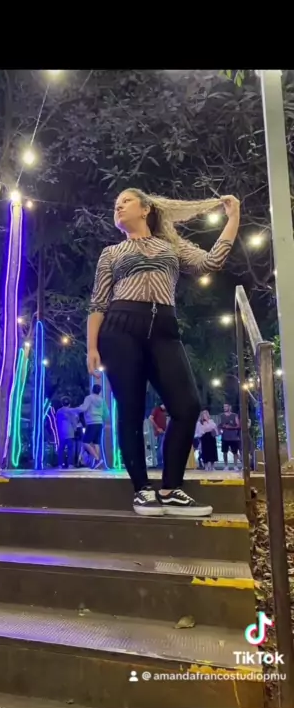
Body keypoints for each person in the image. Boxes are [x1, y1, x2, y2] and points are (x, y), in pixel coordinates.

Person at [87, 188, 240, 516]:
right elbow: (98, 303)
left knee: (187, 407)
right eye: (115, 205)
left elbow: (210, 262)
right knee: (131, 409)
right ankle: (142, 490)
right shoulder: (111, 253)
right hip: (120, 329)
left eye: (125, 201)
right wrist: (91, 348)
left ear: (145, 209)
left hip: (165, 330)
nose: (118, 206)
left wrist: (233, 219)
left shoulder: (171, 246)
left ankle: (170, 489)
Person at [75, 384, 109, 469]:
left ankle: (97, 459)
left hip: (91, 422)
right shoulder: (102, 400)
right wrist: (103, 421)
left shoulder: (89, 398)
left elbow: (84, 408)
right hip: (99, 423)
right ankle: (97, 464)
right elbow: (107, 413)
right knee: (96, 443)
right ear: (100, 391)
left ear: (92, 390)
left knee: (85, 442)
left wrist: (75, 409)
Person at [56, 398, 79, 469]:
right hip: (70, 431)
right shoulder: (71, 411)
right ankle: (70, 464)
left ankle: (60, 464)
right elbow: (74, 421)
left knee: (61, 448)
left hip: (61, 432)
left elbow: (57, 421)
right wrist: (75, 429)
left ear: (62, 403)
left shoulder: (59, 411)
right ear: (69, 404)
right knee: (70, 449)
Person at [219, 403, 241, 471]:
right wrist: (221, 427)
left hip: (233, 437)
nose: (225, 408)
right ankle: (226, 466)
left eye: (226, 406)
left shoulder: (234, 415)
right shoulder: (221, 415)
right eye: (224, 406)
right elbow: (219, 425)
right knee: (224, 452)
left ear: (229, 407)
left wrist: (231, 427)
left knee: (235, 452)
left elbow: (238, 426)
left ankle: (235, 466)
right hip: (224, 437)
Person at [149, 403, 167, 467]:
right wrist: (157, 428)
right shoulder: (157, 409)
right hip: (159, 432)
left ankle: (161, 462)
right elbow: (150, 418)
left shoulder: (164, 411)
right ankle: (159, 463)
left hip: (164, 432)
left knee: (163, 447)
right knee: (160, 447)